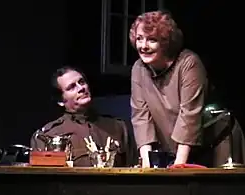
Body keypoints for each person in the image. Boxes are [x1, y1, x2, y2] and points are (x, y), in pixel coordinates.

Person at [129, 10, 245, 167]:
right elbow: (140, 117)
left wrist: (179, 166)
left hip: (216, 140)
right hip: (180, 148)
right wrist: (147, 165)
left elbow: (190, 115)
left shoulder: (189, 63)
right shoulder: (138, 69)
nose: (143, 46)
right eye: (139, 39)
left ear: (165, 42)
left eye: (151, 40)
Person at [30, 66, 129, 167]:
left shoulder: (117, 127)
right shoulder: (47, 136)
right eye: (72, 87)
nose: (81, 88)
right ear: (60, 101)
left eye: (81, 82)